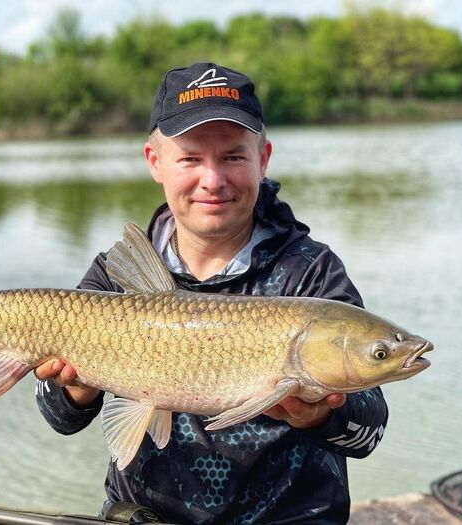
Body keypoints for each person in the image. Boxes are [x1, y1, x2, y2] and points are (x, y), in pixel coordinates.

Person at [34, 62, 388, 524]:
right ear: (155, 162)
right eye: (190, 159)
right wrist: (78, 388)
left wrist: (319, 416)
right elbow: (59, 418)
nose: (213, 180)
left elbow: (369, 430)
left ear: (262, 159)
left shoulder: (311, 273)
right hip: (145, 515)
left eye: (233, 157)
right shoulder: (117, 274)